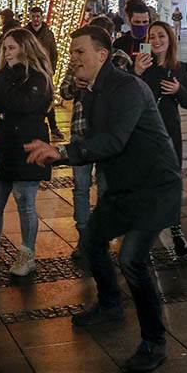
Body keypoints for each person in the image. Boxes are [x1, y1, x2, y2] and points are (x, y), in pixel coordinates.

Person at [25, 26, 182, 373]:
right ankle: (111, 304)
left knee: (132, 259)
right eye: (72, 52)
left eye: (80, 52)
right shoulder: (93, 91)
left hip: (155, 188)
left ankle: (154, 341)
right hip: (125, 187)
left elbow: (113, 141)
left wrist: (61, 152)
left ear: (102, 55)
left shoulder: (126, 88)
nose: (73, 58)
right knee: (93, 241)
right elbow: (96, 138)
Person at [0, 28, 53, 276]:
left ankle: (27, 255)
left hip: (28, 148)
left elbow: (21, 104)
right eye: (5, 47)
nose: (7, 52)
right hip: (4, 149)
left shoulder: (38, 77)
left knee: (25, 203)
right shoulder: (5, 75)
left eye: (11, 47)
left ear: (26, 48)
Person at [59, 16, 131, 258]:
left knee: (105, 189)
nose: (77, 55)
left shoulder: (119, 59)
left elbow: (120, 87)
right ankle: (84, 237)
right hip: (81, 130)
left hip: (106, 134)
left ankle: (101, 236)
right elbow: (64, 92)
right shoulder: (76, 61)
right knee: (80, 188)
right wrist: (76, 86)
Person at [137, 21, 187, 255]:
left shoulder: (180, 68)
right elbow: (131, 99)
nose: (156, 40)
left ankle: (176, 228)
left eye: (161, 36)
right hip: (147, 134)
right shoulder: (144, 67)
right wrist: (136, 73)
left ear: (170, 39)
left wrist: (178, 90)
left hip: (171, 132)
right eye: (152, 37)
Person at [26, 5, 65, 141]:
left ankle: (53, 127)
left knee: (48, 99)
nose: (36, 19)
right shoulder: (25, 33)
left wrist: (51, 69)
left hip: (45, 71)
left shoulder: (48, 33)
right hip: (29, 71)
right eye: (33, 16)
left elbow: (54, 53)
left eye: (38, 16)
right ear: (30, 17)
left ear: (41, 17)